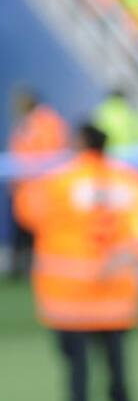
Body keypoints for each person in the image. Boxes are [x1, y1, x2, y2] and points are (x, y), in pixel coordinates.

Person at [13, 123, 138, 401]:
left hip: (70, 296)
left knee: (77, 365)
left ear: (80, 141)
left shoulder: (57, 181)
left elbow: (25, 211)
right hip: (116, 292)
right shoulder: (132, 182)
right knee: (116, 361)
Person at [7, 88, 69, 280]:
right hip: (25, 187)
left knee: (39, 229)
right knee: (22, 229)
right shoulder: (27, 123)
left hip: (41, 187)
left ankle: (35, 267)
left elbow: (49, 153)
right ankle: (20, 267)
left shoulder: (46, 122)